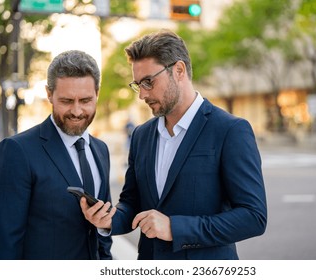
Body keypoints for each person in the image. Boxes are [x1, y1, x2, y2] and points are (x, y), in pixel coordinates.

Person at [81, 29, 267, 260]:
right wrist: (109, 220)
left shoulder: (230, 130)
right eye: (138, 84)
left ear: (178, 70)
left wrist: (174, 228)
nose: (142, 95)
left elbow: (253, 217)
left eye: (148, 82)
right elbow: (132, 203)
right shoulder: (141, 135)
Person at [0, 50, 112, 260]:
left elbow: (101, 226)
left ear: (97, 92)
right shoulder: (16, 151)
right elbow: (1, 245)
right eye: (67, 101)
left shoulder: (101, 150)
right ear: (49, 94)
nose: (77, 111)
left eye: (86, 100)